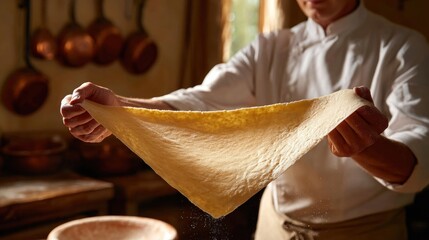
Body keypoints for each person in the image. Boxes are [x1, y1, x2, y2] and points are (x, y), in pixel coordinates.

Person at [60, 0, 429, 239]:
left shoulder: (401, 48)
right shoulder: (271, 48)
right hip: (274, 229)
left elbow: (418, 165)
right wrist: (120, 111)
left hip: (363, 232)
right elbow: (201, 103)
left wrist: (367, 148)